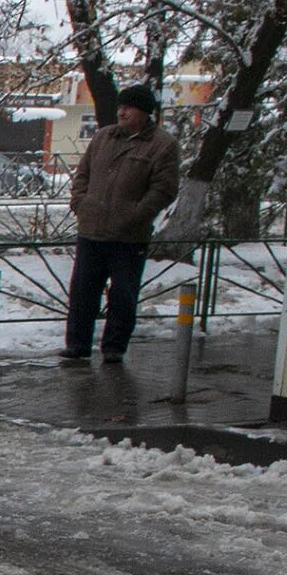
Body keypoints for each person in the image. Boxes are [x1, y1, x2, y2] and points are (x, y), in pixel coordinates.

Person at [61, 83, 180, 365]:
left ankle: (114, 347)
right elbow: (83, 174)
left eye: (129, 107)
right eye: (120, 107)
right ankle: (77, 344)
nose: (122, 112)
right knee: (82, 291)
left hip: (129, 236)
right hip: (92, 230)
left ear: (144, 112)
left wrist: (138, 213)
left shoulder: (162, 145)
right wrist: (80, 202)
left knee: (123, 295)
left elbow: (164, 189)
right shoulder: (103, 137)